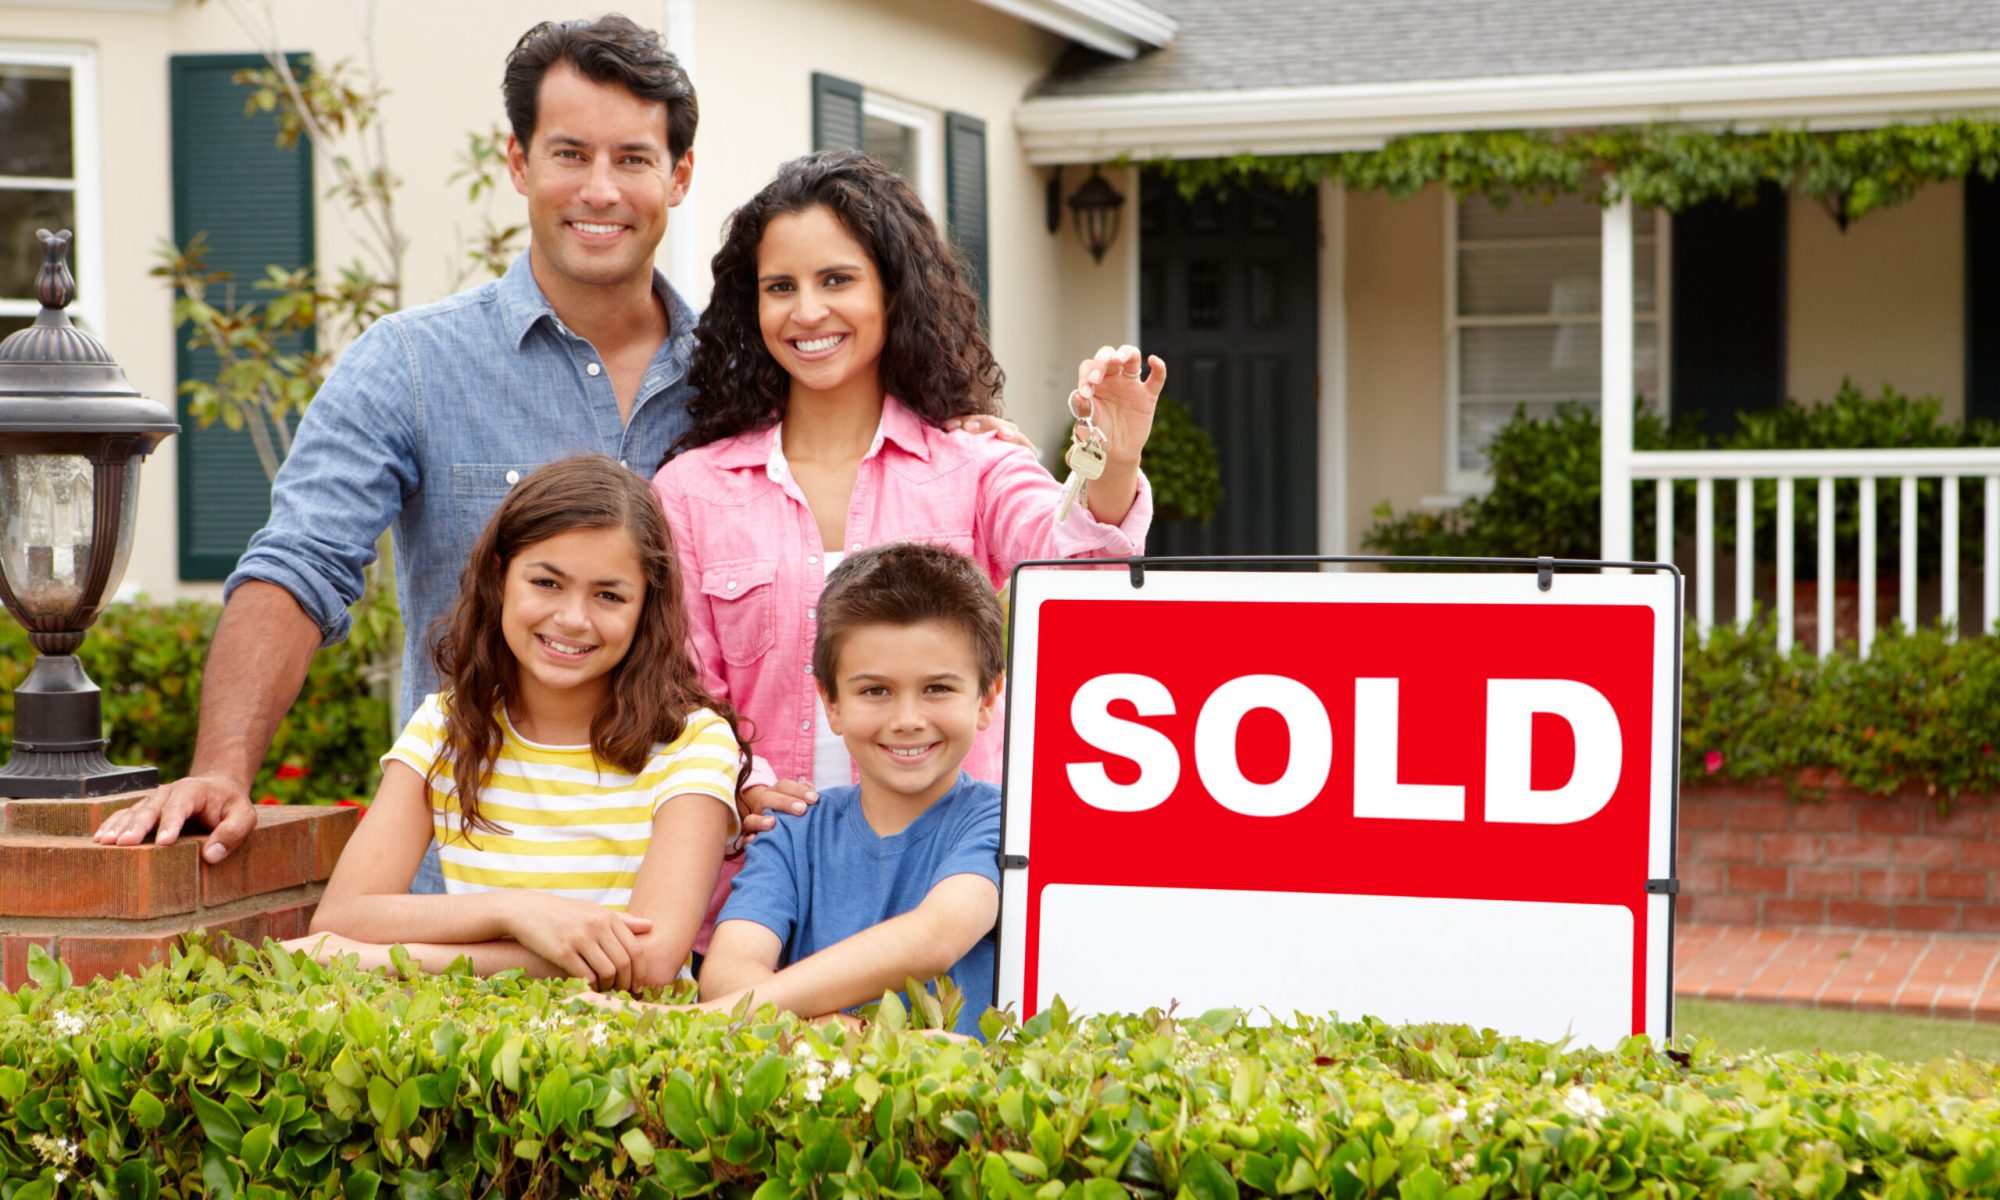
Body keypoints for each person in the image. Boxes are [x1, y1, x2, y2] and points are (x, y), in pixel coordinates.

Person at [651, 149, 1167, 952]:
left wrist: (1118, 457)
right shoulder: (691, 489)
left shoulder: (976, 464)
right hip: (763, 893)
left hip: (945, 892)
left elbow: (1077, 568)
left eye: (837, 280)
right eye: (779, 287)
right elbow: (682, 694)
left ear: (893, 289)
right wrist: (737, 787)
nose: (807, 311)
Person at [287, 456, 742, 985]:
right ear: (500, 577)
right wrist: (516, 911)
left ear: (647, 607)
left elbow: (648, 963)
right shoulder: (446, 725)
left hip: (623, 1052)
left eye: (609, 595)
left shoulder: (693, 744)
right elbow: (343, 916)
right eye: (548, 583)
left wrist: (400, 957)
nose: (573, 618)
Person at [590, 541, 1005, 1035]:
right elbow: (727, 974)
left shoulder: (1003, 821)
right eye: (875, 690)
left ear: (987, 699)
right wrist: (833, 1031)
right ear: (831, 702)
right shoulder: (793, 828)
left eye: (938, 688)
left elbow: (936, 936)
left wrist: (695, 1023)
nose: (908, 719)